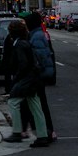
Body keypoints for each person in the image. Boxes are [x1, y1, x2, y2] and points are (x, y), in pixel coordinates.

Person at [3, 20, 50, 147]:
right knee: (35, 106)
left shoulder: (18, 45)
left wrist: (16, 79)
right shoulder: (25, 43)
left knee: (13, 102)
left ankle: (17, 132)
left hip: (26, 79)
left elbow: (23, 64)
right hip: (34, 78)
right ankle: (42, 135)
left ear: (12, 32)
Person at [24, 11, 57, 141]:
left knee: (39, 104)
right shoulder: (37, 34)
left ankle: (47, 131)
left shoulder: (36, 36)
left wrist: (35, 70)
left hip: (38, 75)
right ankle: (45, 130)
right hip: (39, 75)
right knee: (38, 103)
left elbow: (41, 57)